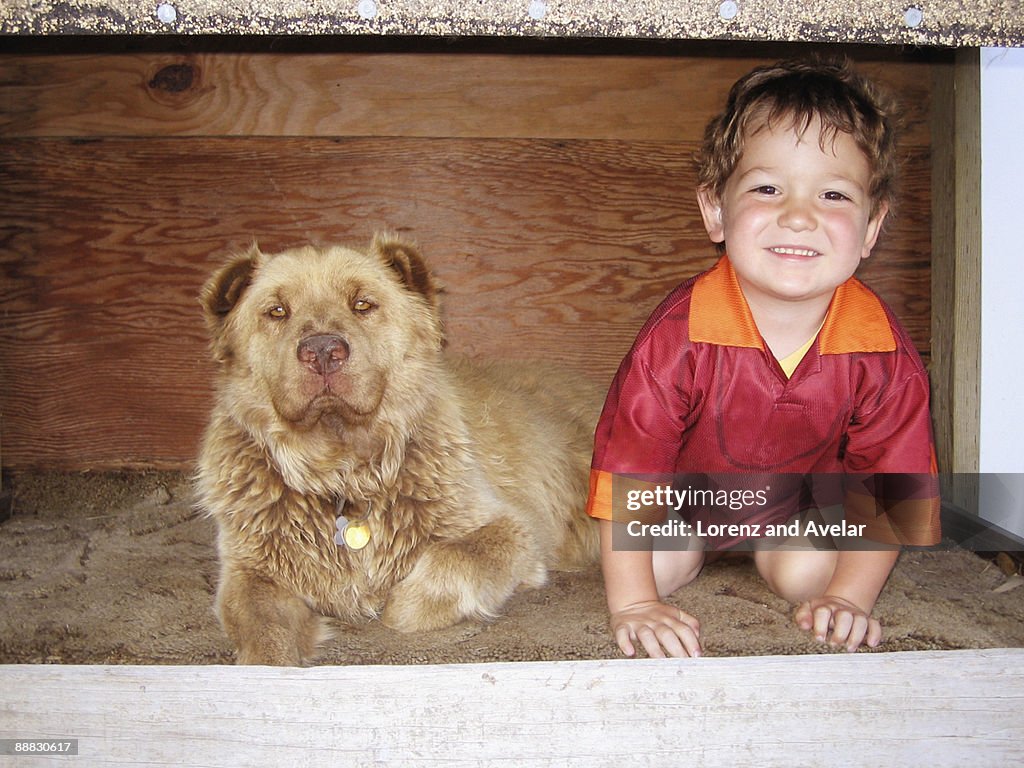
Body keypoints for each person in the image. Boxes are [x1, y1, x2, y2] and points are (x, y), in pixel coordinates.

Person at [586, 57, 940, 659]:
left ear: (872, 227)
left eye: (832, 193)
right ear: (716, 211)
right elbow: (630, 470)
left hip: (797, 514)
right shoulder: (678, 338)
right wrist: (635, 604)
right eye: (767, 187)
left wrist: (850, 599)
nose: (798, 216)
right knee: (655, 567)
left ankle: (785, 556)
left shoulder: (881, 350)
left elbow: (891, 489)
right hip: (687, 506)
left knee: (811, 576)